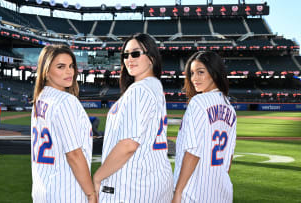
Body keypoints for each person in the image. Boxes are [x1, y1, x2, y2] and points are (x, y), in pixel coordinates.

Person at [93, 33, 173, 202]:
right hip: (155, 182)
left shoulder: (139, 90)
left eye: (136, 53)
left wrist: (98, 177)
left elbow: (128, 144)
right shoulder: (156, 86)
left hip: (131, 186)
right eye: (125, 55)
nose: (129, 59)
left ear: (151, 57)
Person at [31, 44, 96, 203]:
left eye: (71, 66)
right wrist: (90, 193)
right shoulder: (66, 101)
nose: (69, 72)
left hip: (42, 189)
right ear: (46, 71)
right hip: (66, 192)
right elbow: (74, 154)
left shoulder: (40, 99)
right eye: (61, 67)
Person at [172, 51, 237, 203]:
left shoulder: (198, 102)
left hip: (193, 192)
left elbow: (193, 152)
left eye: (200, 72)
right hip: (221, 191)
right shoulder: (230, 109)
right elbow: (229, 158)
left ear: (214, 73)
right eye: (192, 73)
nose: (194, 78)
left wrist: (178, 191)